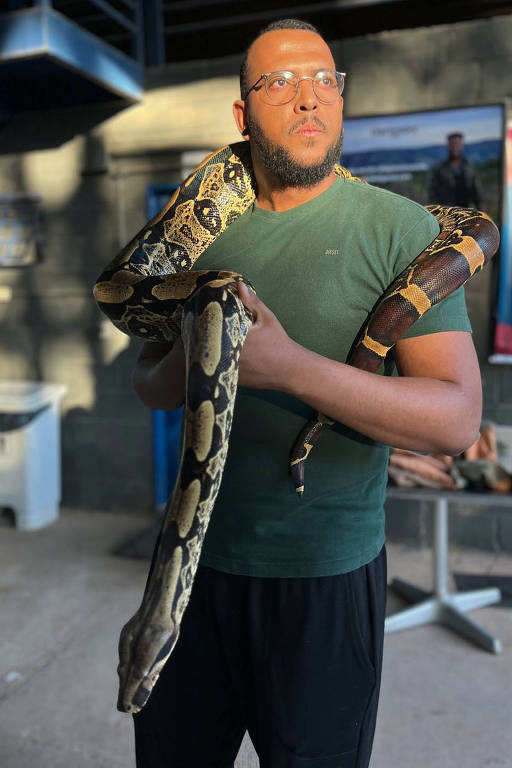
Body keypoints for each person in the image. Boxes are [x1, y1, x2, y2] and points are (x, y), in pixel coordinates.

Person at [131, 19, 482, 768]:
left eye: (325, 79)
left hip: (325, 583)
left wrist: (286, 365)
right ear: (241, 115)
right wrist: (201, 349)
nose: (308, 97)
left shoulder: (400, 227)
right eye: (279, 82)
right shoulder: (195, 239)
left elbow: (455, 419)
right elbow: (150, 387)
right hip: (190, 581)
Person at [428, 132, 482, 208]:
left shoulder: (470, 167)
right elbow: (433, 195)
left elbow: (476, 193)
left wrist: (481, 213)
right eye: (452, 144)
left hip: (467, 213)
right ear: (448, 146)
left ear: (462, 146)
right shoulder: (439, 169)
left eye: (457, 144)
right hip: (447, 214)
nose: (455, 147)